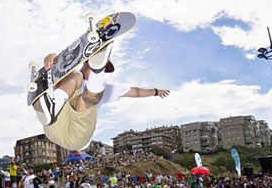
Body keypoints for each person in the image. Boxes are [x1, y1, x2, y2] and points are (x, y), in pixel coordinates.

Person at [34, 44, 170, 151]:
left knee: (87, 99)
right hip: (54, 122)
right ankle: (52, 105)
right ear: (86, 61)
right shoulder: (71, 75)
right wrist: (51, 63)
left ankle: (96, 69)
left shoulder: (105, 88)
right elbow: (53, 74)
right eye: (101, 67)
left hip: (76, 137)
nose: (104, 71)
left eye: (103, 68)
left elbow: (134, 91)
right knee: (75, 75)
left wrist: (156, 91)